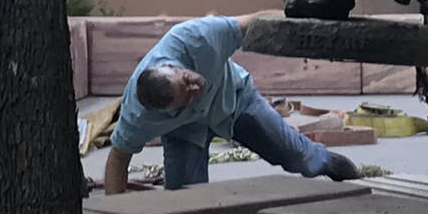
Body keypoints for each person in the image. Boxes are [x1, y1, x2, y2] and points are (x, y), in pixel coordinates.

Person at [103, 11, 360, 193]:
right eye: (188, 97)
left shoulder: (195, 37)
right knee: (186, 203)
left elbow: (256, 21)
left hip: (234, 99)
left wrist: (310, 21)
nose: (196, 88)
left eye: (187, 80)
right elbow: (117, 160)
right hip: (184, 131)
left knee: (301, 159)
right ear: (164, 111)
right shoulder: (138, 118)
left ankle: (331, 163)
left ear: (172, 65)